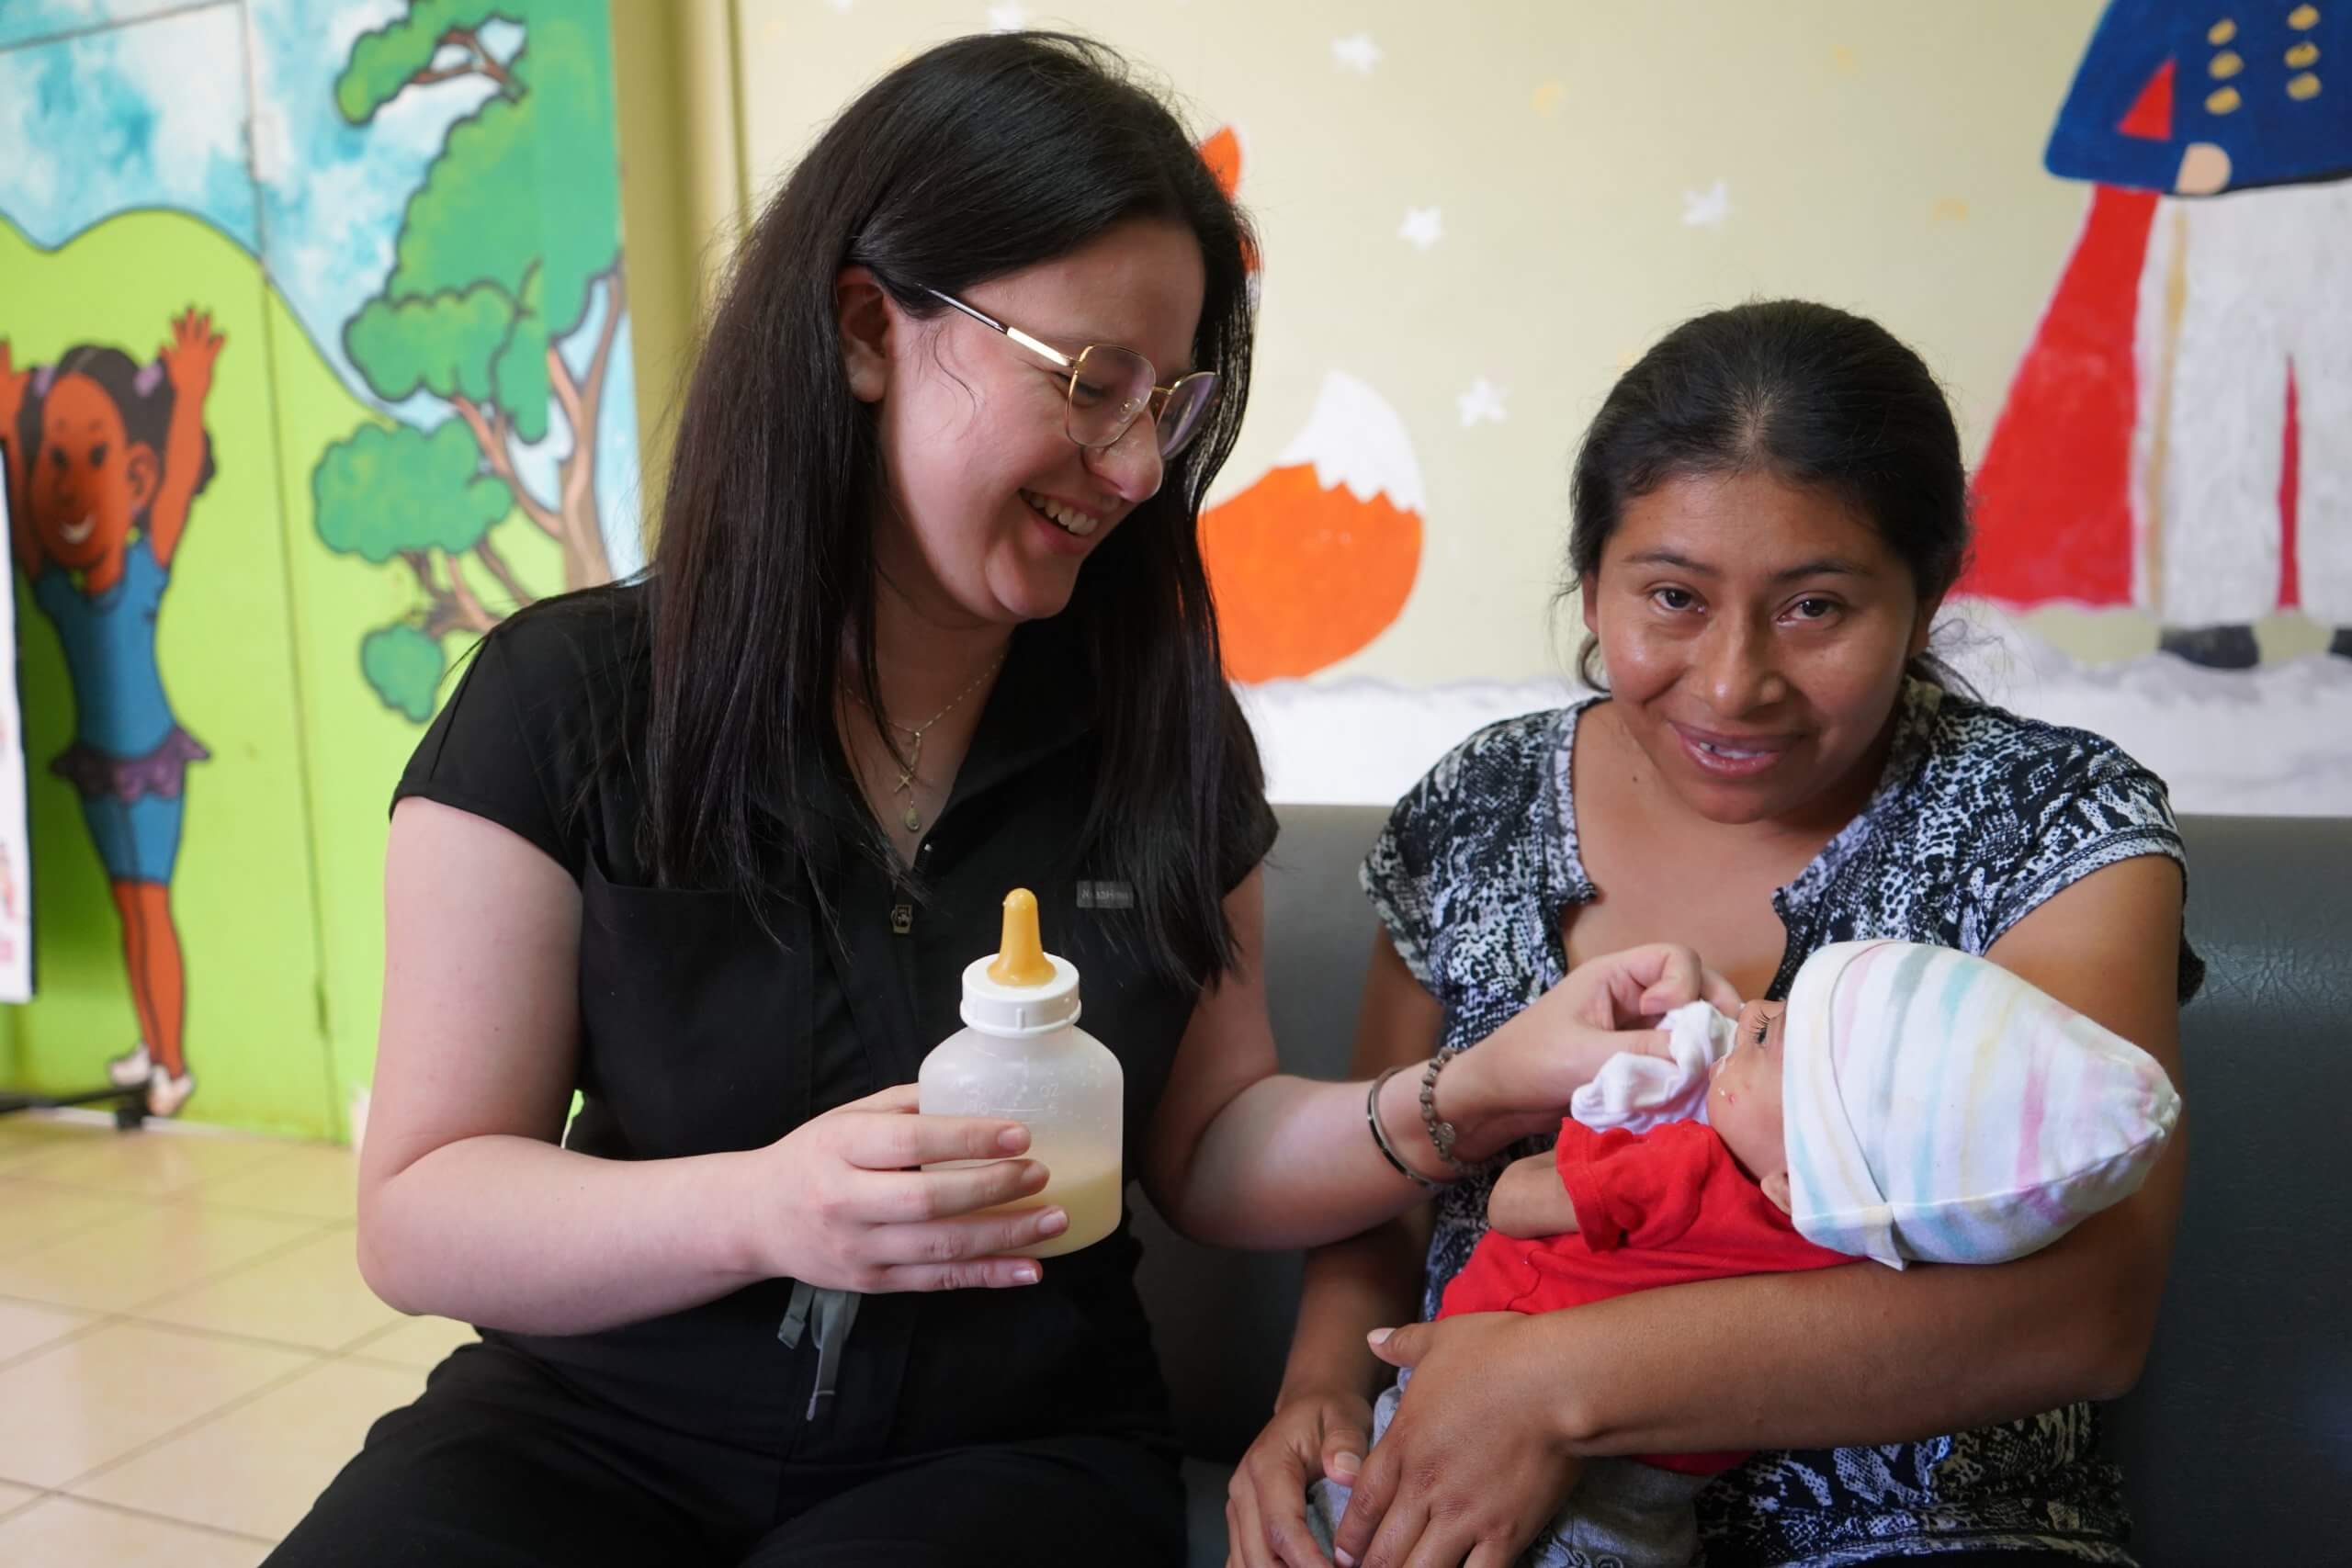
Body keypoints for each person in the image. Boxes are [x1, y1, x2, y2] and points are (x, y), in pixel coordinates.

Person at [268, 34, 1714, 1568]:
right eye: (1091, 383)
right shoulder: (564, 702)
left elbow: (1210, 1143)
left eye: (1166, 402)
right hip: (586, 1426)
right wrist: (760, 1207)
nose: (1137, 467)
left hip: (1010, 1452)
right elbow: (420, 1208)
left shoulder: (1159, 732)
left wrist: (1479, 1085)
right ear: (866, 329)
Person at [1227, 299, 2200, 1568]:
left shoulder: (2054, 822)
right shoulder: (1476, 806)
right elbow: (1395, 1180)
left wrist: (1552, 1384)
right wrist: (1323, 1393)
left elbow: (2087, 1311)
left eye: (1815, 608)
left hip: (1941, 1532)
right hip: (1488, 1511)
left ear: (1926, 595)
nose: (1735, 682)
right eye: (1674, 597)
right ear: (1592, 583)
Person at [1306, 942, 2184, 1567]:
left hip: (1462, 1432)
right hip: (1653, 1512)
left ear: (1794, 1180)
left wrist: (1626, 1110)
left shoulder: (1687, 1166)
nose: (1754, 1011)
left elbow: (1516, 1200)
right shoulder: (1855, 1252)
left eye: (1770, 1041)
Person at [0, 314, 221, 1118]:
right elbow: (26, 539)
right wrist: (11, 430)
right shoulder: (59, 595)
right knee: (128, 903)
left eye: (94, 458)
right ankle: (154, 1046)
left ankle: (173, 1064)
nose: (69, 485)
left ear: (135, 474)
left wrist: (189, 394)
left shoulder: (139, 574)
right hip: (96, 766)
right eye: (55, 459)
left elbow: (176, 490)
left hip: (149, 769)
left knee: (150, 903)